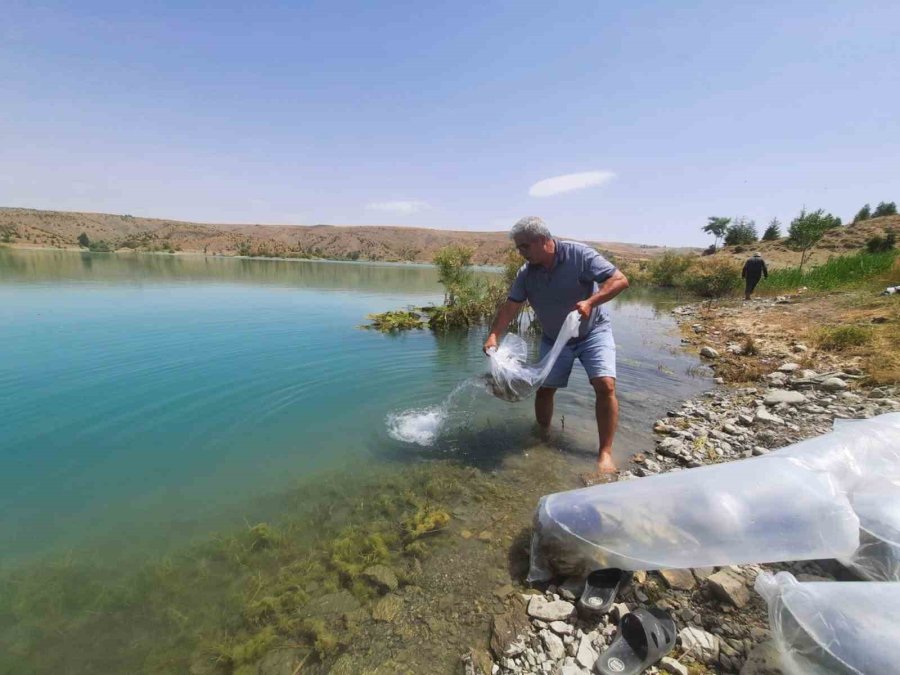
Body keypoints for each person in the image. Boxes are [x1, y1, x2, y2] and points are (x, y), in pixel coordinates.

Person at [483, 217, 629, 474]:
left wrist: (590, 302)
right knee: (545, 388)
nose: (521, 253)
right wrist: (494, 334)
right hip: (554, 338)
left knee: (605, 385)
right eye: (519, 248)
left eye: (524, 246)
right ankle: (542, 435)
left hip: (593, 332)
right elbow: (511, 306)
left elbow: (619, 280)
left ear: (542, 241)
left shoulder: (579, 255)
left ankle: (604, 453)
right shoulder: (526, 274)